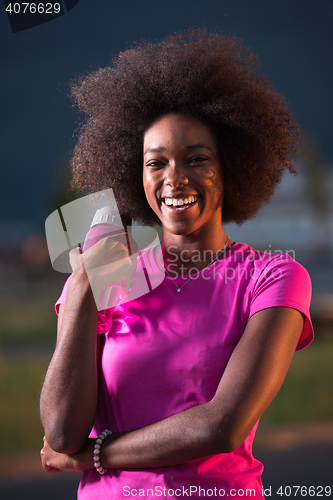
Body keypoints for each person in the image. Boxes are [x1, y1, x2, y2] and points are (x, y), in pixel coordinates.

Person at [40, 30, 314, 499]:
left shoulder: (273, 279)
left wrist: (95, 455)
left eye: (197, 159)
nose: (174, 178)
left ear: (230, 167)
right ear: (135, 173)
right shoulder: (97, 282)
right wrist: (85, 284)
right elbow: (62, 433)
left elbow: (221, 425)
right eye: (156, 163)